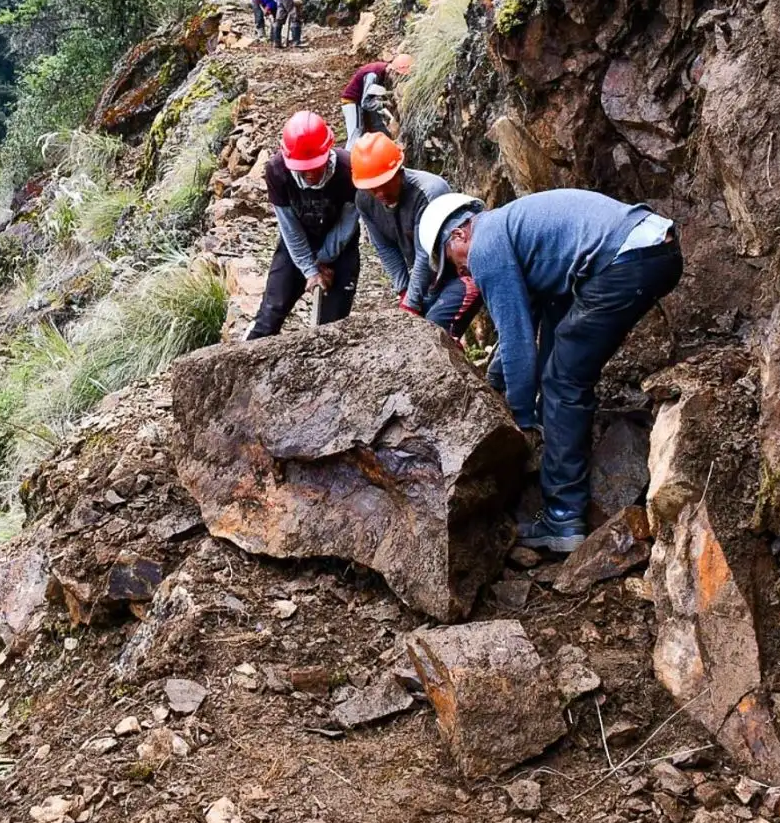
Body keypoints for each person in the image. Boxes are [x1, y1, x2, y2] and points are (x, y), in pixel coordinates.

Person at [420, 189, 682, 553]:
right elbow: (538, 329)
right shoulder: (520, 237)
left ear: (459, 235)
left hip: (628, 258)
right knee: (564, 363)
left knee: (564, 381)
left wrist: (523, 419)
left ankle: (563, 514)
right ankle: (561, 470)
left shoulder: (486, 247)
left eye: (454, 264)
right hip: (654, 249)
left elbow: (517, 344)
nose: (463, 272)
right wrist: (496, 385)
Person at [348, 133, 481, 336]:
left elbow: (424, 254)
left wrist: (410, 304)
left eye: (385, 184)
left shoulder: (428, 192)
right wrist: (403, 290)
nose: (380, 193)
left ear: (399, 172)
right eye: (373, 188)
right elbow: (385, 247)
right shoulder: (365, 200)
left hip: (459, 274)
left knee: (434, 329)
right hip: (429, 282)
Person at [249, 111, 361, 337]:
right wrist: (310, 269)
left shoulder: (348, 169)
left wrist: (324, 259)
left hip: (341, 247)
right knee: (270, 314)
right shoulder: (277, 171)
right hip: (298, 244)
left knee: (331, 329)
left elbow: (347, 225)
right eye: (303, 167)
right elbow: (289, 227)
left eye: (315, 166)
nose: (310, 174)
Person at [341, 54, 414, 143]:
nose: (399, 80)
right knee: (355, 135)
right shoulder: (374, 74)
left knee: (373, 132)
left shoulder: (385, 75)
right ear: (393, 71)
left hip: (364, 101)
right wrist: (384, 104)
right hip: (352, 101)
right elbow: (366, 102)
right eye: (399, 76)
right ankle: (349, 155)